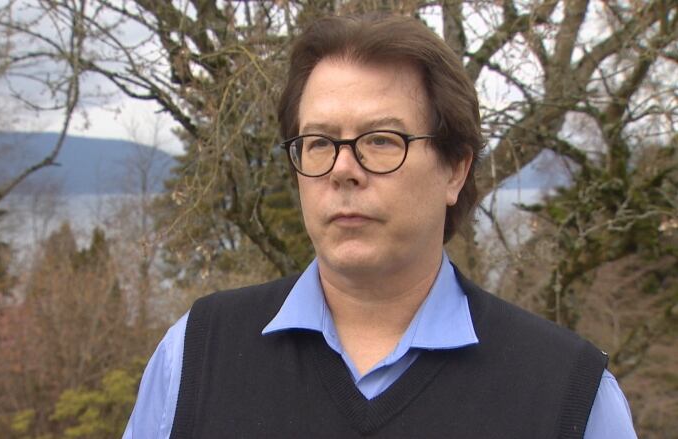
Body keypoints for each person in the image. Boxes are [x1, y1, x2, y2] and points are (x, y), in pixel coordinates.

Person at [124, 14, 637, 439]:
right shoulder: (196, 356)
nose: (343, 168)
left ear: (455, 168)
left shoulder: (568, 395)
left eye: (381, 141)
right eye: (320, 142)